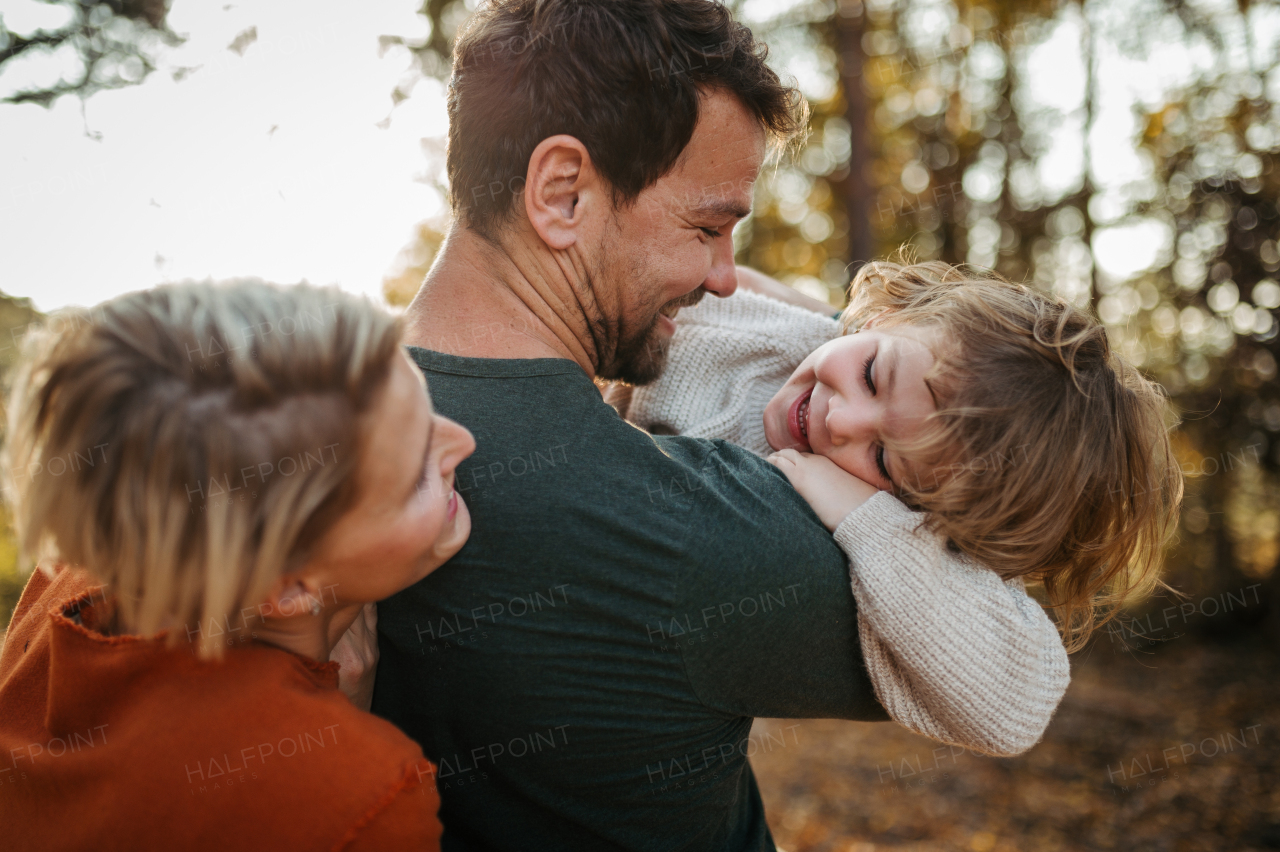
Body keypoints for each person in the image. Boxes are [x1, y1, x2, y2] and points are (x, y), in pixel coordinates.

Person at [372, 1, 1066, 849]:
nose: (727, 278)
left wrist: (878, 343)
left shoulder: (332, 429)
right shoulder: (714, 534)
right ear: (562, 193)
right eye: (706, 227)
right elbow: (1014, 660)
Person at [624, 260, 1183, 747]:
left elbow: (1018, 705)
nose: (839, 421)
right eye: (871, 375)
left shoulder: (896, 530)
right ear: (883, 319)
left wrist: (869, 523)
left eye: (886, 461)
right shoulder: (778, 331)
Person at [0, 280, 474, 851]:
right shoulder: (358, 798)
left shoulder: (73, 579)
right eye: (415, 473)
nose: (464, 442)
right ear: (292, 585)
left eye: (429, 408)